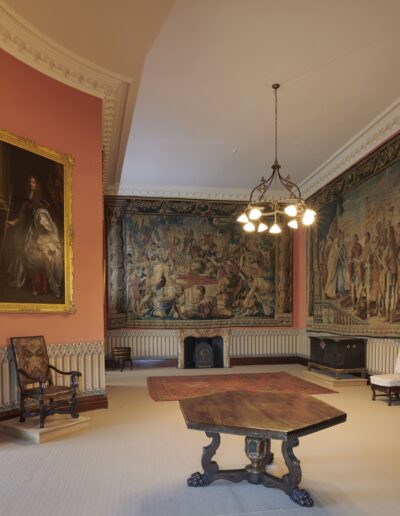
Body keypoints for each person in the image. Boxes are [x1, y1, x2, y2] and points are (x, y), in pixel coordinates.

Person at [6, 175, 63, 298]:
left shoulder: (41, 201)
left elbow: (46, 221)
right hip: (28, 234)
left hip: (40, 233)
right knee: (23, 252)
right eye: (29, 182)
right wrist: (11, 223)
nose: (31, 184)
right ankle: (30, 285)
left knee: (41, 254)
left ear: (37, 184)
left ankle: (40, 286)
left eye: (33, 182)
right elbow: (21, 217)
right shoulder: (26, 202)